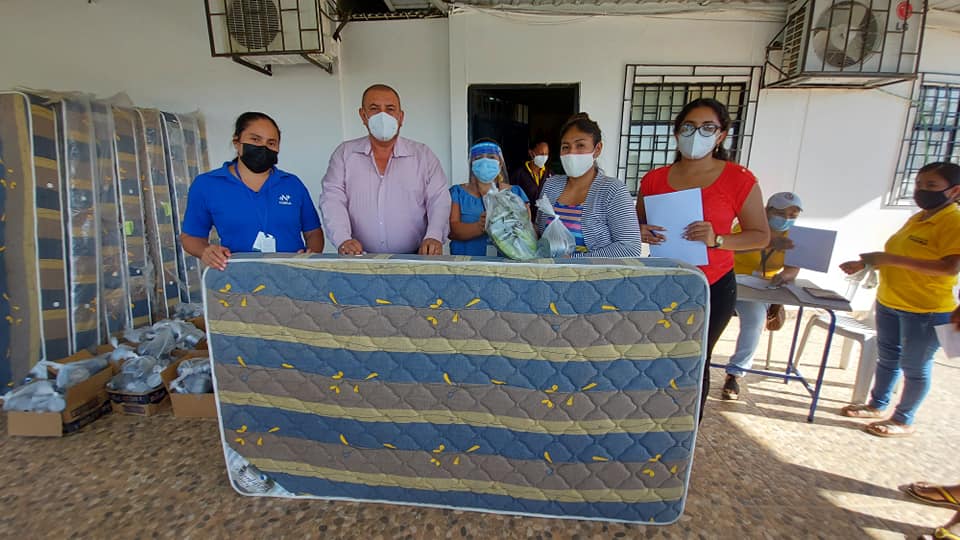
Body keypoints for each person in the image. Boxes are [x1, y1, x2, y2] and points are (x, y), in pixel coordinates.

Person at [636, 98, 770, 420]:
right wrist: (641, 231)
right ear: (676, 133)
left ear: (721, 135)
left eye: (707, 128)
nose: (696, 134)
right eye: (689, 127)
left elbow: (760, 235)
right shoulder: (654, 179)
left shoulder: (738, 178)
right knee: (656, 357)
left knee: (696, 361)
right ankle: (651, 423)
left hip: (712, 286)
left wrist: (718, 239)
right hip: (663, 283)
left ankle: (687, 430)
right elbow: (637, 223)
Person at [839, 161, 960, 437]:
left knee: (915, 366)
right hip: (891, 301)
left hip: (926, 309)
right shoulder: (919, 218)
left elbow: (950, 267)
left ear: (954, 191)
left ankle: (903, 419)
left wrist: (889, 259)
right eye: (918, 184)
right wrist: (867, 263)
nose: (922, 190)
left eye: (931, 185)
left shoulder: (953, 221)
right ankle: (876, 404)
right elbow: (903, 255)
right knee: (887, 358)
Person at [181, 112, 323, 271]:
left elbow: (313, 233)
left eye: (271, 143)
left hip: (292, 276)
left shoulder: (292, 184)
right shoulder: (207, 185)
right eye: (255, 139)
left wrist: (311, 257)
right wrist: (205, 251)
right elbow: (190, 236)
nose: (263, 147)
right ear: (237, 142)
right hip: (238, 278)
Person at [319, 84, 450, 256]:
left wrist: (434, 236)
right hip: (359, 259)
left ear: (401, 117)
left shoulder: (423, 156)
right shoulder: (345, 154)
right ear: (363, 115)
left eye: (390, 109)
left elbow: (439, 200)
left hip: (415, 258)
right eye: (374, 109)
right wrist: (343, 239)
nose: (383, 116)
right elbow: (332, 200)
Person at [722, 192, 804, 400]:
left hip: (763, 288)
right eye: (781, 214)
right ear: (767, 211)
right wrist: (768, 243)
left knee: (755, 321)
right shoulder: (747, 228)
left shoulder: (796, 236)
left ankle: (735, 373)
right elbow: (728, 249)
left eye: (792, 215)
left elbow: (793, 268)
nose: (786, 219)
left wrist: (784, 276)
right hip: (733, 282)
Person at [535, 113, 641, 258]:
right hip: (548, 271)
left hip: (592, 273)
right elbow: (540, 232)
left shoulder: (613, 191)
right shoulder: (551, 185)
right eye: (565, 147)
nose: (571, 152)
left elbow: (630, 248)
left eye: (580, 145)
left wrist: (574, 260)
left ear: (597, 149)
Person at [449, 140, 530, 256]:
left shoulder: (515, 193)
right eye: (478, 158)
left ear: (500, 163)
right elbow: (451, 230)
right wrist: (480, 226)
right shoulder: (457, 193)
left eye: (491, 157)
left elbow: (526, 230)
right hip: (467, 263)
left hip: (505, 264)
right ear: (471, 164)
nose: (485, 162)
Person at [511, 140, 550, 220]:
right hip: (525, 220)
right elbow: (512, 198)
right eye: (541, 154)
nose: (544, 157)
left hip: (545, 220)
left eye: (546, 154)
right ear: (531, 153)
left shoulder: (550, 174)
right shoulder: (519, 174)